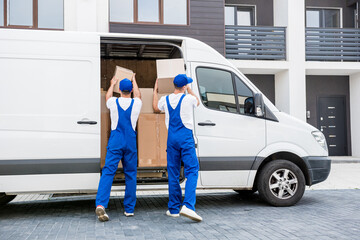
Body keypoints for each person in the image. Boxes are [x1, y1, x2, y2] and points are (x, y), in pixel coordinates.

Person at [153, 74, 202, 222]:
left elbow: (156, 108)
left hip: (172, 139)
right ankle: (188, 206)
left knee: (173, 173)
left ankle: (174, 209)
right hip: (185, 138)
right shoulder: (189, 99)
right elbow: (198, 102)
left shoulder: (165, 99)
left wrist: (155, 91)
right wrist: (190, 90)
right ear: (184, 86)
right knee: (192, 170)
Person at [95, 75, 142, 222]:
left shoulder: (113, 102)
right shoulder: (136, 103)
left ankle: (101, 204)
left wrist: (112, 84)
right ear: (131, 90)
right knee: (131, 174)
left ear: (120, 90)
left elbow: (107, 96)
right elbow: (139, 95)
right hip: (130, 141)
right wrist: (135, 80)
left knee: (108, 172)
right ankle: (129, 209)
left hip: (116, 140)